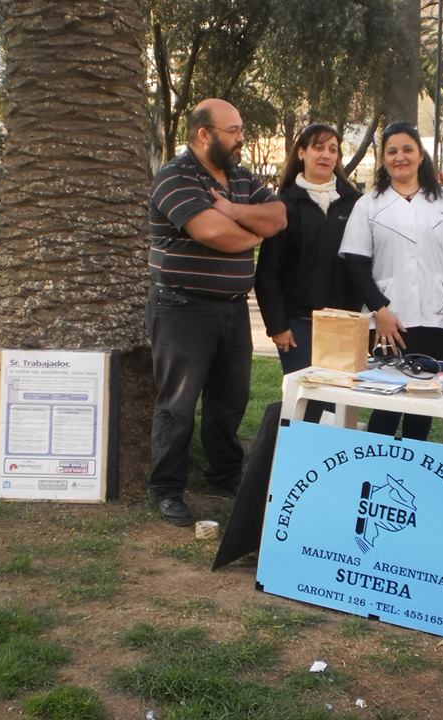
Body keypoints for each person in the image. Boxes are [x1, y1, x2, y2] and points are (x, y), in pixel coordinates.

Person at [146, 98, 287, 526]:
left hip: (232, 309)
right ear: (204, 134)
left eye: (241, 129)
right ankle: (167, 488)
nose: (242, 137)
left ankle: (224, 475)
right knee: (178, 404)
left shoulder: (240, 176)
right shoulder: (175, 177)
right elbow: (215, 233)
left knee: (230, 400)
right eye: (234, 130)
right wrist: (250, 228)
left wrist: (231, 211)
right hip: (181, 309)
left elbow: (278, 217)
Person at [338, 121, 443, 442]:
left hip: (438, 318)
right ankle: (376, 465)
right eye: (391, 151)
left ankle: (412, 468)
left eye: (407, 149)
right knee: (386, 403)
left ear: (420, 155)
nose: (399, 157)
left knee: (423, 405)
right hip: (390, 321)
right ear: (383, 159)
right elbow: (356, 265)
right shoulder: (369, 205)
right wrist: (380, 310)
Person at [254, 123, 362, 422]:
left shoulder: (355, 204)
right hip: (297, 325)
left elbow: (364, 264)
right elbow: (268, 272)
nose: (326, 155)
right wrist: (277, 326)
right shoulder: (283, 206)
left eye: (333, 149)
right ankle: (294, 452)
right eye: (318, 147)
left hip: (343, 324)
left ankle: (331, 454)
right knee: (305, 405)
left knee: (336, 408)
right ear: (301, 153)